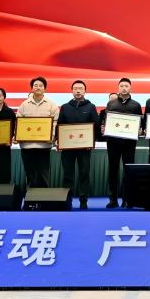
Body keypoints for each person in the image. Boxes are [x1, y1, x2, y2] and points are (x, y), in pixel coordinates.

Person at [57, 80, 99, 209]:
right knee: (68, 174)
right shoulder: (65, 107)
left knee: (84, 173)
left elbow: (96, 126)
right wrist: (60, 142)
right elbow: (59, 125)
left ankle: (83, 200)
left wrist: (92, 141)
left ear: (85, 91)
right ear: (72, 91)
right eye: (75, 88)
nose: (78, 90)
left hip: (84, 147)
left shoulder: (91, 106)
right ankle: (67, 199)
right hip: (68, 147)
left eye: (81, 88)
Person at [103, 78, 142, 208]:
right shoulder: (111, 104)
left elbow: (140, 124)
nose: (124, 88)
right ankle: (113, 199)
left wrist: (139, 129)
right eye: (121, 86)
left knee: (128, 171)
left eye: (126, 86)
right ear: (118, 88)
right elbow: (105, 121)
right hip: (113, 143)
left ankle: (127, 199)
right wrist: (104, 127)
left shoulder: (136, 105)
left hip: (129, 144)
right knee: (113, 170)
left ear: (130, 88)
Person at [17, 76, 59, 188]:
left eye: (41, 86)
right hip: (27, 145)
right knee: (29, 173)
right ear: (32, 88)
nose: (38, 87)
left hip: (44, 145)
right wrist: (18, 136)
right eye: (35, 85)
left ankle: (43, 196)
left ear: (45, 89)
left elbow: (55, 123)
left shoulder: (52, 105)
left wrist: (51, 136)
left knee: (43, 174)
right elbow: (18, 122)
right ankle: (30, 197)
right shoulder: (24, 105)